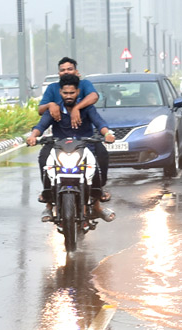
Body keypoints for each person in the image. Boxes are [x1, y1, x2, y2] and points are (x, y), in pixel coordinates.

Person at [26, 74, 116, 222]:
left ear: (78, 92)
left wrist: (107, 134)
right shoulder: (54, 109)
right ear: (60, 92)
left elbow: (100, 123)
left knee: (99, 158)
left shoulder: (87, 108)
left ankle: (98, 201)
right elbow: (41, 125)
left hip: (84, 145)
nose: (68, 96)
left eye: (72, 93)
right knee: (44, 159)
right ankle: (48, 200)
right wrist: (33, 136)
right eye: (65, 93)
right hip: (59, 146)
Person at [37, 57, 108, 201]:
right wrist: (51, 105)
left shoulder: (86, 93)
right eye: (62, 70)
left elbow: (95, 102)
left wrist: (77, 107)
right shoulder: (52, 90)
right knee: (44, 157)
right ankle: (48, 196)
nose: (68, 96)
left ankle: (99, 190)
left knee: (102, 154)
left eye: (69, 69)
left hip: (84, 140)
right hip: (60, 142)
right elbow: (41, 118)